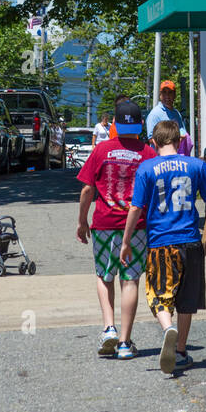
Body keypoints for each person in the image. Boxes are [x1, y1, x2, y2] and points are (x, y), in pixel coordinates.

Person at [122, 119, 206, 374]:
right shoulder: (195, 165)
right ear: (180, 141)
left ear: (154, 142)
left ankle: (167, 327)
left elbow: (136, 207)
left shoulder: (146, 168)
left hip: (162, 242)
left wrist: (126, 241)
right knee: (186, 299)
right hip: (191, 240)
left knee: (158, 293)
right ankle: (180, 350)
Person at [76, 98, 156, 360]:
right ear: (141, 124)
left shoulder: (101, 150)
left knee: (104, 275)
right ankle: (124, 342)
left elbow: (87, 189)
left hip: (103, 222)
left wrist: (82, 221)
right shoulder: (147, 153)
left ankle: (109, 327)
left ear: (114, 124)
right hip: (136, 226)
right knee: (130, 279)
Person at [146, 81, 193, 157]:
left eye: (170, 93)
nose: (167, 96)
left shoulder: (176, 113)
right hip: (161, 159)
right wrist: (172, 140)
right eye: (164, 93)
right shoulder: (154, 114)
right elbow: (151, 139)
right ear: (160, 95)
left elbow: (182, 132)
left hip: (177, 158)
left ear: (174, 95)